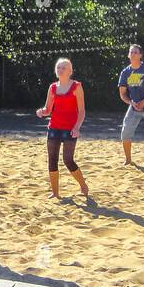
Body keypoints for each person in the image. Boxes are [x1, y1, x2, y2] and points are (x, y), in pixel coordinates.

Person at [36, 58, 89, 198]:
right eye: (58, 67)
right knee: (52, 159)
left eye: (63, 67)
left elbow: (82, 111)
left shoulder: (76, 86)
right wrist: (42, 112)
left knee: (68, 160)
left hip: (70, 128)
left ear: (70, 71)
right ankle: (55, 192)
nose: (60, 69)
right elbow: (48, 109)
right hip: (54, 127)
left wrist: (77, 127)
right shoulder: (53, 87)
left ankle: (83, 185)